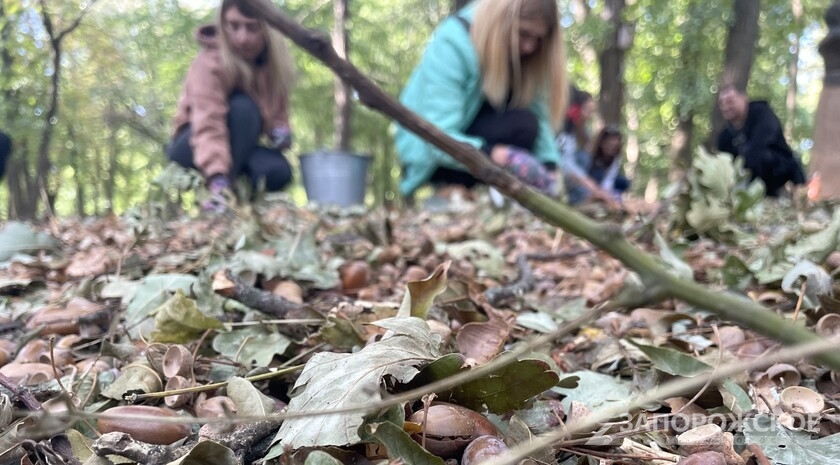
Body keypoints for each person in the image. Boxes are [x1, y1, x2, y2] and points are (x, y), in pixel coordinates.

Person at [395, 0, 568, 202]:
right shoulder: (453, 42)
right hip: (436, 154)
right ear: (501, 22)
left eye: (538, 39)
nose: (530, 46)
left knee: (526, 123)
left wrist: (550, 167)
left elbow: (539, 116)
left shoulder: (525, 58)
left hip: (483, 153)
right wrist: (502, 156)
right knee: (521, 125)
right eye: (523, 34)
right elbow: (437, 137)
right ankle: (450, 191)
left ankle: (491, 195)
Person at [167, 0, 295, 212]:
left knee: (277, 170)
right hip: (194, 146)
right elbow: (208, 123)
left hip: (238, 149)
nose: (242, 38)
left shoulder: (271, 70)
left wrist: (280, 131)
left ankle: (240, 205)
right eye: (233, 26)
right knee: (244, 109)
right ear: (222, 25)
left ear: (268, 30)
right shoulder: (210, 63)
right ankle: (219, 196)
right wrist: (217, 178)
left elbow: (278, 115)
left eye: (252, 27)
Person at [716, 85, 806, 197]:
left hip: (779, 169)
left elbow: (760, 144)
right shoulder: (725, 136)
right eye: (722, 103)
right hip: (746, 179)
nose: (725, 107)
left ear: (743, 98)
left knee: (756, 155)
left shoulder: (763, 114)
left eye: (730, 102)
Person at [556, 89, 619, 208]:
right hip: (564, 184)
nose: (589, 116)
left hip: (580, 186)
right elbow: (566, 165)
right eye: (587, 110)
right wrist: (593, 188)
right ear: (575, 109)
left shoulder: (584, 134)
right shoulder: (563, 132)